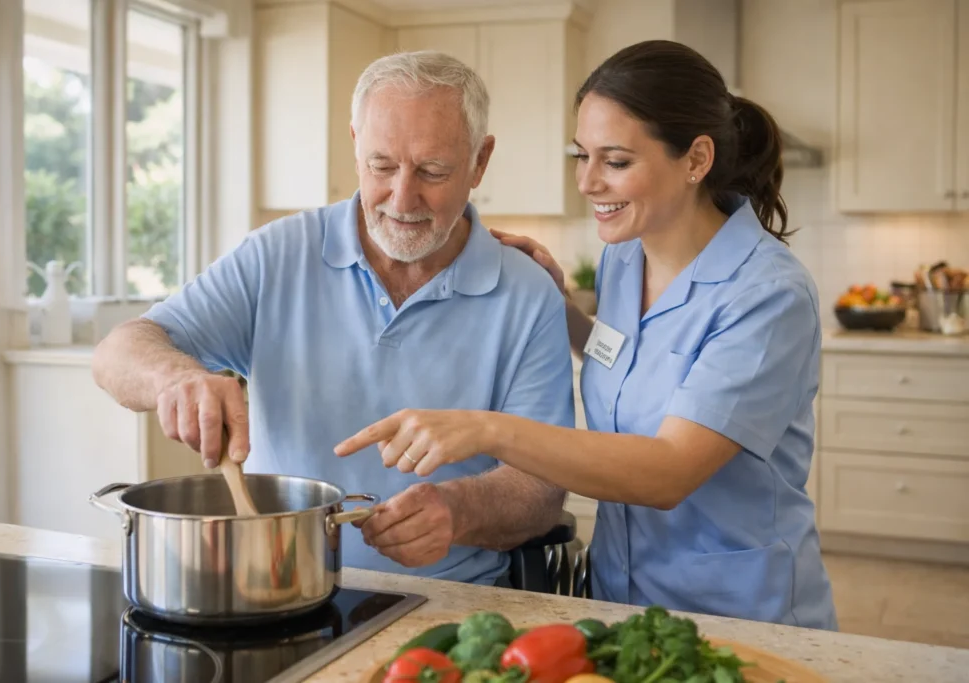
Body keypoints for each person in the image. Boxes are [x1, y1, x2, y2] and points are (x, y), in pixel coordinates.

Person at [335, 40, 838, 630]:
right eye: (582, 155)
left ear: (696, 159)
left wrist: (484, 429)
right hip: (623, 601)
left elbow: (668, 470)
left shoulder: (766, 294)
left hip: (740, 613)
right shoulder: (625, 258)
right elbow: (628, 359)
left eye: (616, 161)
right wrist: (563, 310)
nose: (589, 181)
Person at [91, 50, 576, 587]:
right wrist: (175, 378)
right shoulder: (280, 254)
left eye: (433, 171)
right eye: (382, 165)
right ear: (355, 147)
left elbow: (541, 492)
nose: (402, 196)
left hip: (450, 601)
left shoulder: (529, 293)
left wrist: (459, 510)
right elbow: (119, 352)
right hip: (274, 587)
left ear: (480, 163)